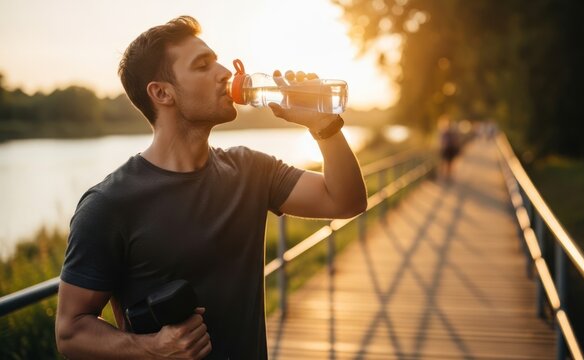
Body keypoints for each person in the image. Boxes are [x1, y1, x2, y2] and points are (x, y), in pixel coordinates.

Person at [55, 16, 367, 360]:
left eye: (217, 60)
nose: (223, 72)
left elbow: (345, 201)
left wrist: (324, 125)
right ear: (162, 92)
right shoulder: (109, 204)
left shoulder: (251, 169)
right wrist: (152, 349)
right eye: (203, 65)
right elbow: (71, 332)